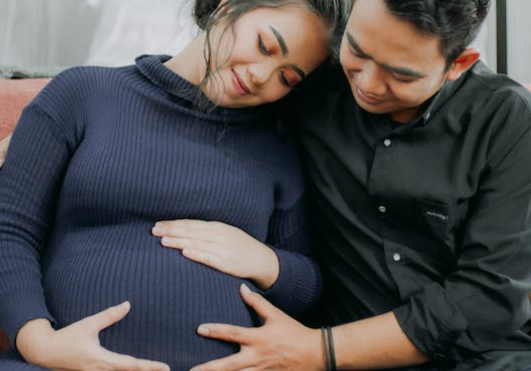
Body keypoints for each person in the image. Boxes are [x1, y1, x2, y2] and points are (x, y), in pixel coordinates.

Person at [143, 1, 531, 371]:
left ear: (458, 64)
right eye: (357, 51)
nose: (369, 85)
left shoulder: (511, 121)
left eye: (401, 74)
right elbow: (209, 85)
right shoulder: (306, 82)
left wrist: (317, 350)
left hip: (492, 360)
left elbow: (488, 299)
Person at [0, 0, 348, 370]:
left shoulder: (279, 148)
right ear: (228, 6)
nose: (263, 75)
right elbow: (11, 229)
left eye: (287, 77)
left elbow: (311, 285)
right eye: (265, 44)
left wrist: (267, 262)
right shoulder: (83, 93)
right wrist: (41, 343)